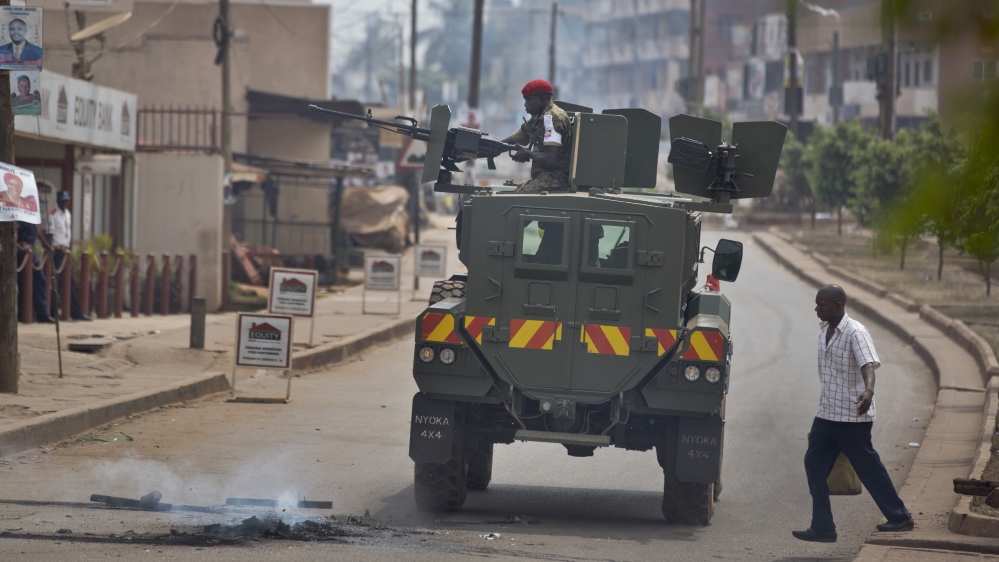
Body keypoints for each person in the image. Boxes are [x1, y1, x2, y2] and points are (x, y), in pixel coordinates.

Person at [792, 284, 914, 543]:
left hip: (852, 417)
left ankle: (900, 516)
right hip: (826, 414)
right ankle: (823, 527)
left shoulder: (855, 332)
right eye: (816, 303)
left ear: (838, 306)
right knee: (813, 465)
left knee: (869, 469)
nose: (816, 308)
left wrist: (869, 390)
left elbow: (867, 363)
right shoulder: (825, 329)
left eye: (821, 304)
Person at [501, 79, 573, 193]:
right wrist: (481, 149)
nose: (525, 104)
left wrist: (527, 153)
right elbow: (512, 140)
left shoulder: (553, 118)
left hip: (556, 179)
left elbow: (550, 160)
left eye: (529, 100)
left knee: (513, 198)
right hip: (544, 178)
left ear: (541, 98)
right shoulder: (538, 117)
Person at [48, 190, 91, 321]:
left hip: (66, 250)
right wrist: (50, 250)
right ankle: (53, 311)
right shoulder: (53, 214)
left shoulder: (68, 214)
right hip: (57, 250)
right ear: (58, 201)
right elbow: (50, 234)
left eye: (66, 200)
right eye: (62, 200)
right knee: (56, 282)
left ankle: (76, 312)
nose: (65, 203)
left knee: (70, 282)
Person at [16, 220, 55, 323]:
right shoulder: (20, 218)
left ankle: (42, 314)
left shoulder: (31, 217)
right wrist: (20, 249)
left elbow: (37, 232)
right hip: (22, 252)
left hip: (31, 252)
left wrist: (47, 246)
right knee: (23, 284)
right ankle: (21, 314)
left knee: (40, 282)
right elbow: (13, 235)